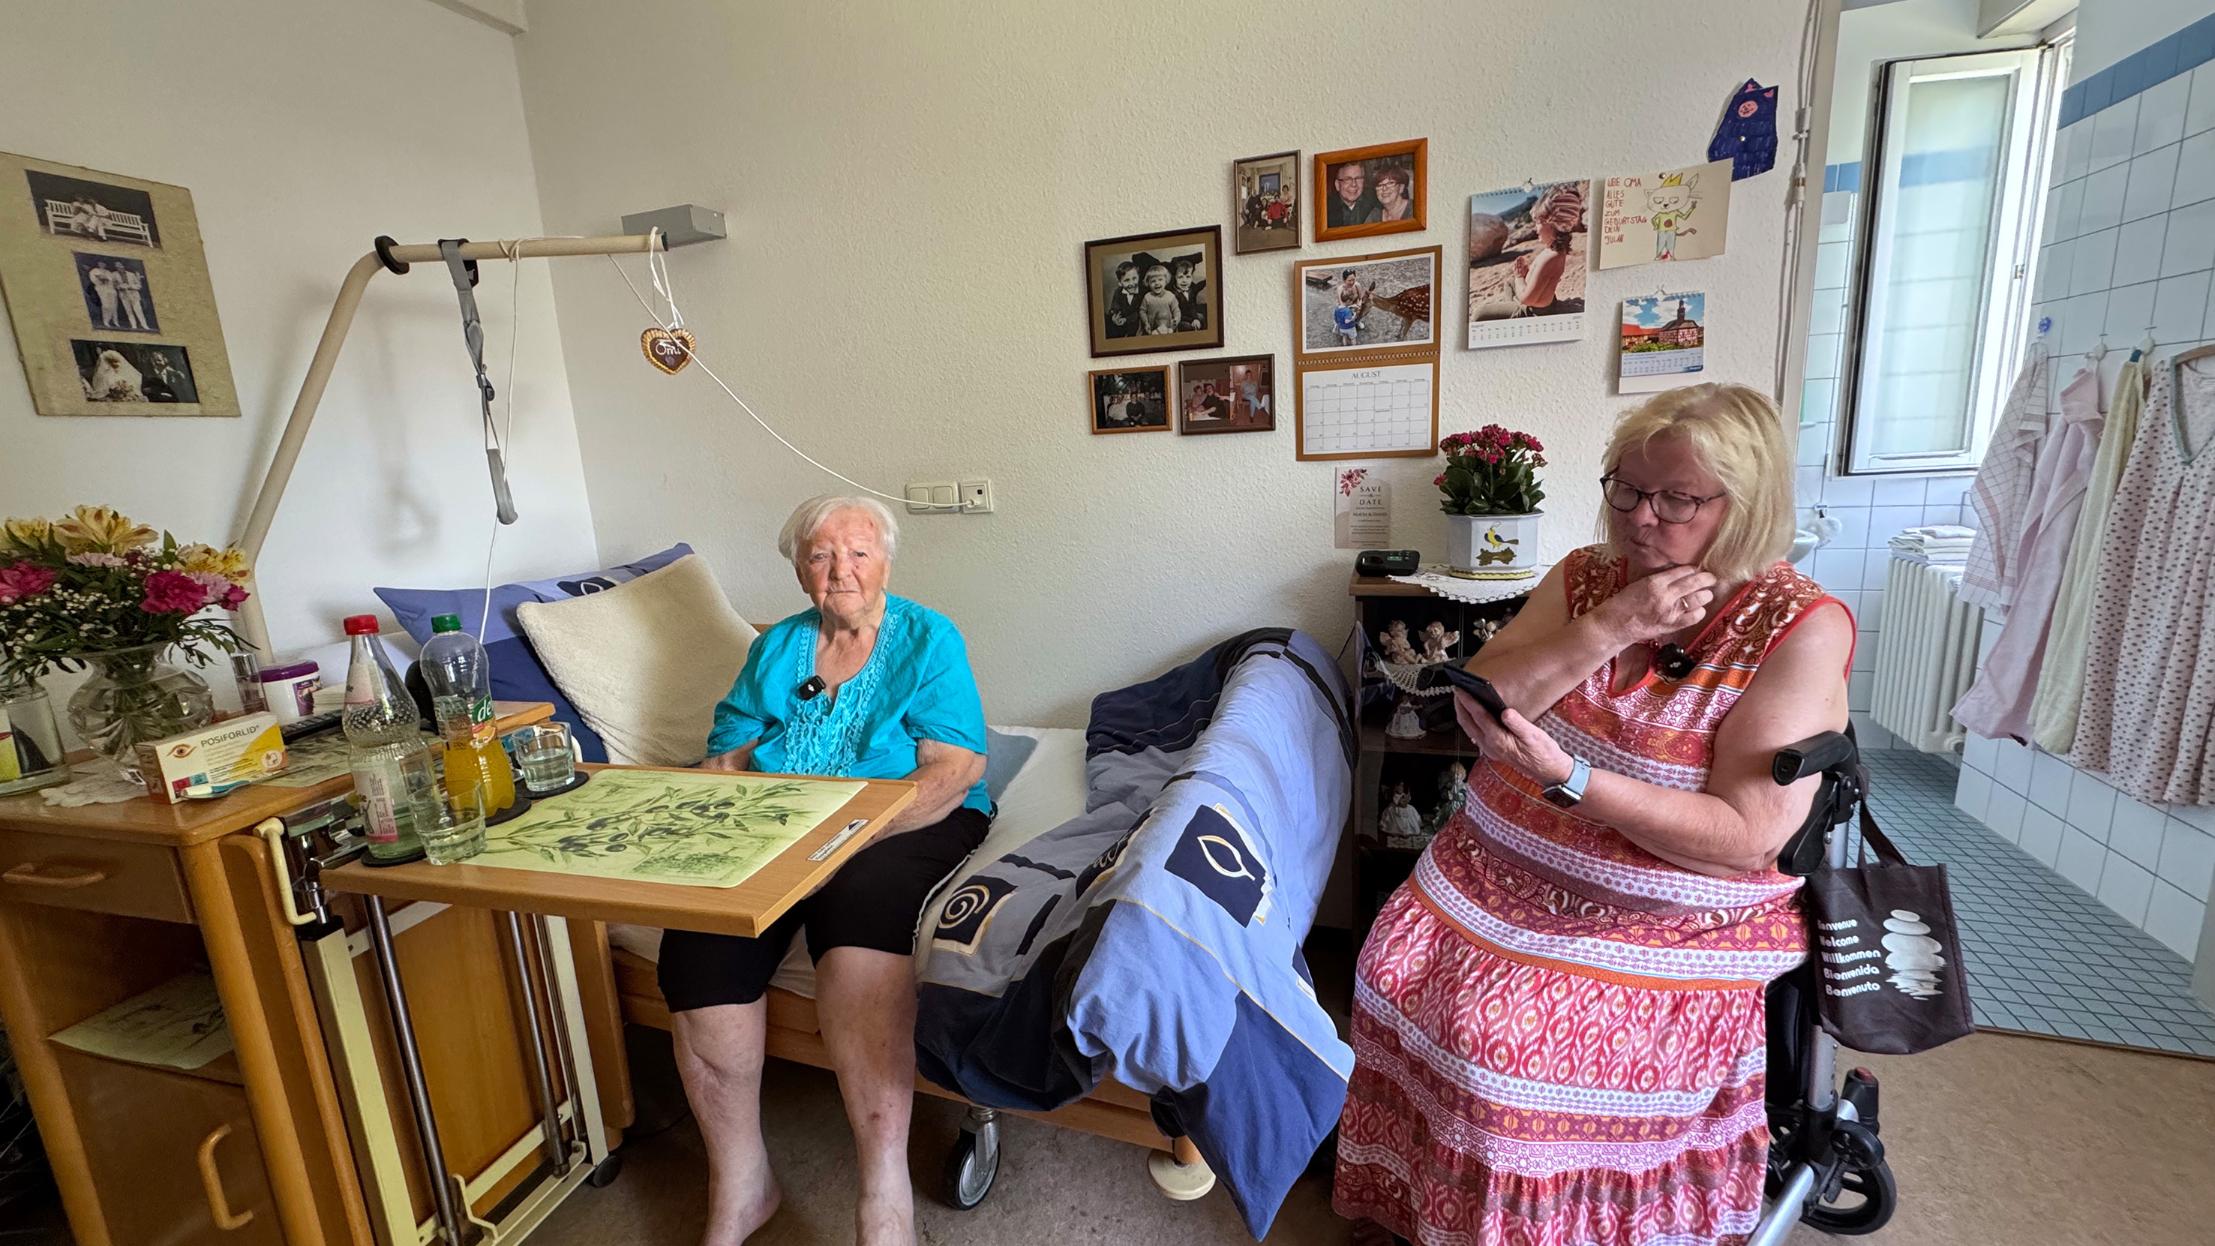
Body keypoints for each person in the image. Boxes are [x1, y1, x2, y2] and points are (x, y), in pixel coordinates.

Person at [1335, 383, 1853, 1246]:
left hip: (1666, 917)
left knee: (1502, 1040)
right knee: (1386, 966)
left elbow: (1743, 837)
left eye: (1675, 499)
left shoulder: (1797, 628)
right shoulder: (1587, 576)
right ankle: (1430, 1203)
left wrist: (1572, 779)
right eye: (1625, 488)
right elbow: (1484, 701)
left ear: (1745, 506)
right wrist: (1612, 623)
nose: (1640, 518)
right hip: (1490, 872)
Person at [657, 495, 990, 1246]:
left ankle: (883, 1195)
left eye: (858, 553)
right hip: (783, 820)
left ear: (886, 562)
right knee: (701, 935)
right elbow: (729, 744)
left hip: (909, 815)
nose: (840, 570)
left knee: (862, 917)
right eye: (820, 555)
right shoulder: (777, 646)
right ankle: (741, 1184)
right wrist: (744, 798)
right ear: (800, 568)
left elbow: (955, 767)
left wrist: (844, 839)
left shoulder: (928, 637)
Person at [1472, 182, 1587, 321]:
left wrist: (1520, 277)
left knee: (1480, 314)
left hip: (1533, 311)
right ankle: (1510, 307)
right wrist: (1527, 274)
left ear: (1554, 225)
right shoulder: (1552, 250)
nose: (1535, 228)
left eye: (1539, 223)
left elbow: (1527, 299)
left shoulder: (1551, 257)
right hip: (1537, 301)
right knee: (1509, 284)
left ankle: (1513, 313)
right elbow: (1541, 280)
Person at [1329, 160, 1379, 227]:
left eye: (1358, 178)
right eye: (1347, 179)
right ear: (1337, 185)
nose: (1354, 184)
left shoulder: (1374, 200)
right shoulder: (1326, 210)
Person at [1138, 263, 1180, 335]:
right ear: (1148, 283)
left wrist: (1176, 319)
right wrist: (1145, 322)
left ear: (1166, 281)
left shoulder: (1170, 296)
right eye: (1153, 281)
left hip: (1168, 328)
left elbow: (1176, 310)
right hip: (1152, 328)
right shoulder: (1147, 297)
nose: (1157, 283)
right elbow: (1142, 311)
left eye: (1160, 279)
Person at [1104, 260, 1142, 338]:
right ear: (1120, 283)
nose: (1131, 283)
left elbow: (1139, 312)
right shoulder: (1118, 292)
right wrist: (1115, 316)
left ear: (1139, 277)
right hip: (1123, 323)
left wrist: (1126, 320)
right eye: (1127, 280)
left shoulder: (1142, 292)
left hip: (1137, 322)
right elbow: (1115, 306)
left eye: (1134, 278)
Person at [1173, 258, 1207, 332]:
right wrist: (1193, 320)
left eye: (1188, 277)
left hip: (1192, 315)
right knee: (1188, 326)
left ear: (1192, 278)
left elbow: (1199, 285)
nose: (1184, 281)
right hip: (1180, 318)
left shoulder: (1191, 288)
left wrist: (1207, 279)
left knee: (1201, 317)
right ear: (1175, 277)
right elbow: (1177, 314)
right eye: (1180, 277)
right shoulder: (1173, 294)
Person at [86, 261, 120, 328]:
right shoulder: (94, 270)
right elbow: (96, 280)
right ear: (98, 264)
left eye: (104, 263)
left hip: (111, 290)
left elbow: (112, 281)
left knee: (114, 306)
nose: (102, 265)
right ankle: (106, 321)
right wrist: (103, 279)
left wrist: (109, 280)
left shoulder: (108, 272)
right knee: (106, 305)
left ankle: (115, 321)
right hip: (102, 289)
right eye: (101, 263)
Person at [118, 265, 149, 330]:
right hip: (124, 296)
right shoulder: (116, 275)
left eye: (121, 267)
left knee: (138, 311)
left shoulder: (131, 274)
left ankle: (144, 325)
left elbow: (139, 285)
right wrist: (120, 287)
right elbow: (115, 285)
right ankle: (133, 325)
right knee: (129, 311)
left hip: (134, 295)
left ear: (124, 267)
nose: (120, 269)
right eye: (118, 268)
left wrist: (131, 287)